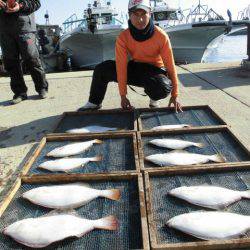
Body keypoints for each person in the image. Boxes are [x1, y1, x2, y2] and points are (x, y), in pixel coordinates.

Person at [78, 0, 182, 112]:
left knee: (162, 86)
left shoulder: (161, 36)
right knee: (102, 69)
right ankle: (94, 102)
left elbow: (170, 67)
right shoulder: (123, 37)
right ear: (129, 15)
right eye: (136, 15)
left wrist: (175, 95)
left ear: (150, 14)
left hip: (155, 72)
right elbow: (121, 67)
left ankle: (154, 99)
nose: (140, 19)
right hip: (136, 68)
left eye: (143, 14)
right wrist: (123, 96)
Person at [0, 0, 49, 104]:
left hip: (25, 28)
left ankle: (42, 88)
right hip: (4, 30)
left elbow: (36, 3)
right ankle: (19, 93)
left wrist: (20, 6)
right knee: (11, 62)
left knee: (32, 58)